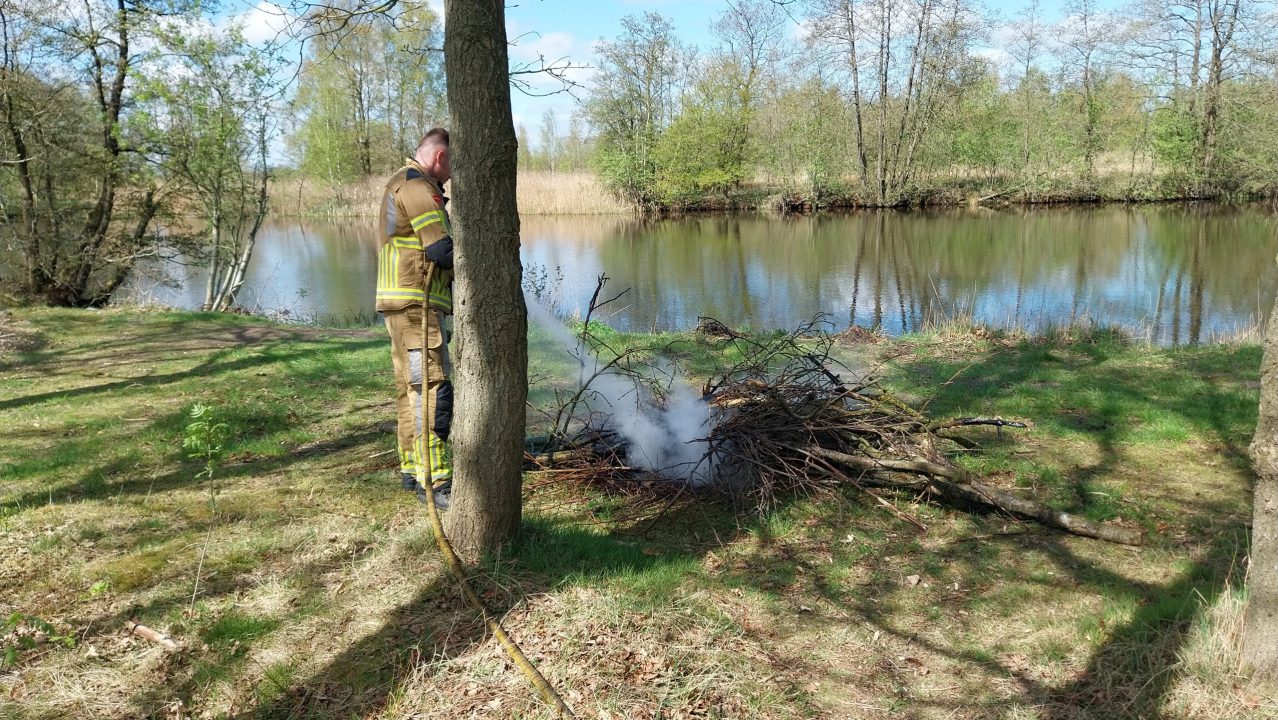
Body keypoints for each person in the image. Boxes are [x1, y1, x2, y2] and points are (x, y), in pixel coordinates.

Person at [376, 128, 454, 508]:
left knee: (409, 389)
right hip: (415, 308)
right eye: (452, 164)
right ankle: (437, 482)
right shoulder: (420, 187)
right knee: (431, 390)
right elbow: (441, 249)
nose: (452, 173)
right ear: (440, 158)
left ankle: (412, 470)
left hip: (400, 305)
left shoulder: (398, 181)